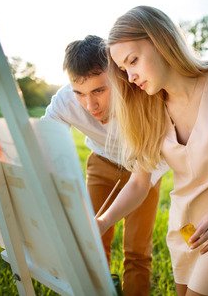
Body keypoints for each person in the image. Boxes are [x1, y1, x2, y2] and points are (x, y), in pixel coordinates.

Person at [97, 6, 208, 296]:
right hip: (184, 226)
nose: (130, 77)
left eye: (133, 61)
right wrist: (102, 223)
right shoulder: (150, 107)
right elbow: (141, 182)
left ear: (161, 40)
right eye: (124, 69)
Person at [42, 35, 165, 296]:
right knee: (93, 240)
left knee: (137, 250)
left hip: (144, 171)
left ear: (117, 74)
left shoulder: (144, 99)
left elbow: (141, 182)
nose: (90, 105)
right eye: (80, 93)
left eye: (99, 90)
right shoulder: (64, 100)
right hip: (101, 162)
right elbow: (42, 145)